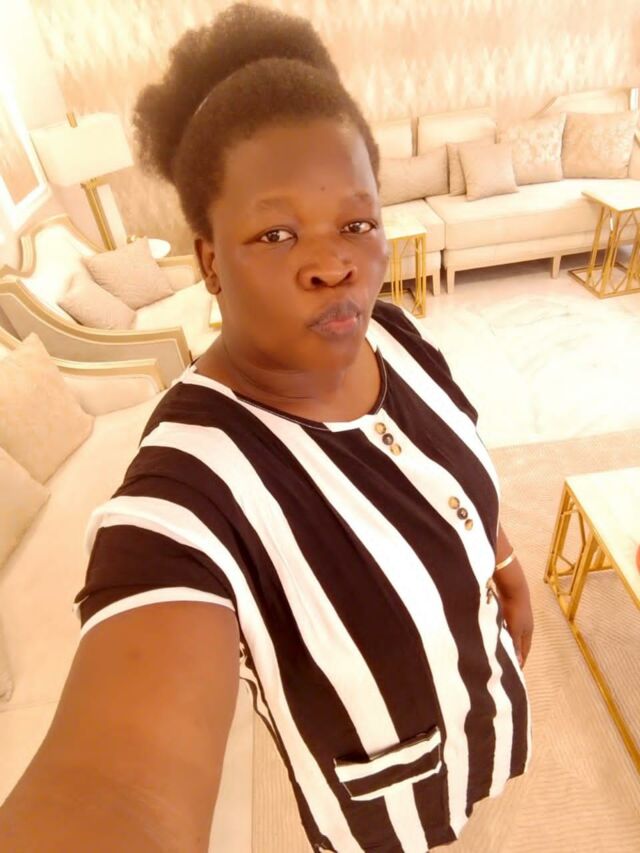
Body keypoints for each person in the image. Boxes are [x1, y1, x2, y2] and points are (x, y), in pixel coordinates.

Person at [0, 4, 533, 851]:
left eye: (357, 223)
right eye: (276, 232)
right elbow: (115, 787)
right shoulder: (187, 495)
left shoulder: (396, 334)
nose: (333, 263)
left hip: (484, 705)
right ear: (210, 258)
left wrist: (499, 555)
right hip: (384, 808)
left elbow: (447, 460)